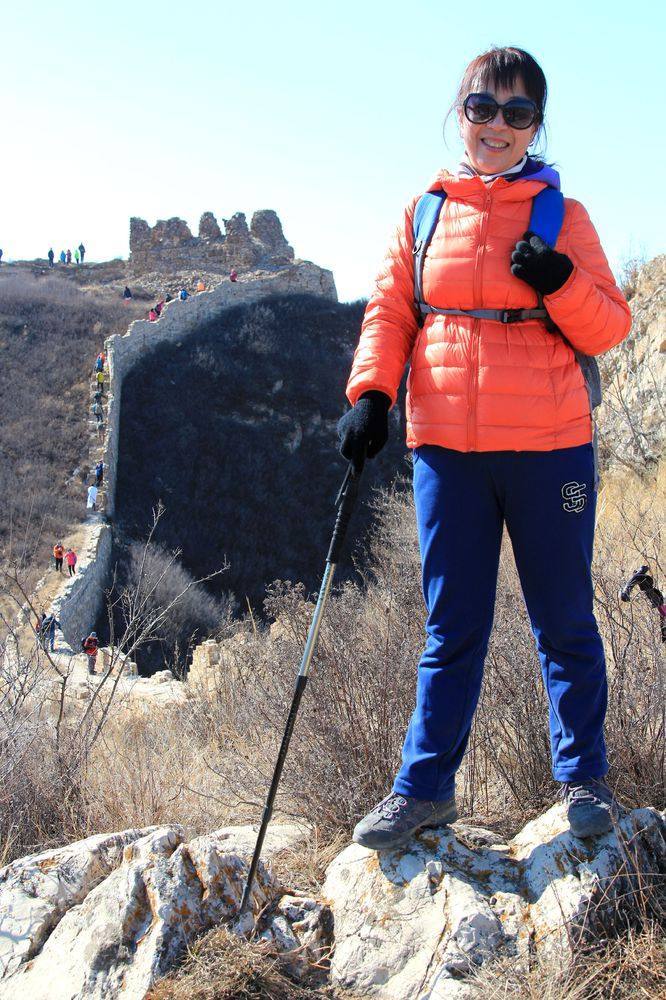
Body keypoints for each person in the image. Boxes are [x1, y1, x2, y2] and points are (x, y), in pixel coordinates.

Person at [338, 46, 631, 848]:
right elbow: (391, 310)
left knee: (564, 620)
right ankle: (423, 789)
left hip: (550, 446)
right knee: (451, 629)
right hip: (448, 452)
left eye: (517, 111)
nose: (498, 125)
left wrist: (559, 279)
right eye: (483, 107)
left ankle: (584, 780)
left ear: (536, 126)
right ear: (460, 114)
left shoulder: (564, 216)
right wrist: (371, 394)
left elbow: (610, 325)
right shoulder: (425, 213)